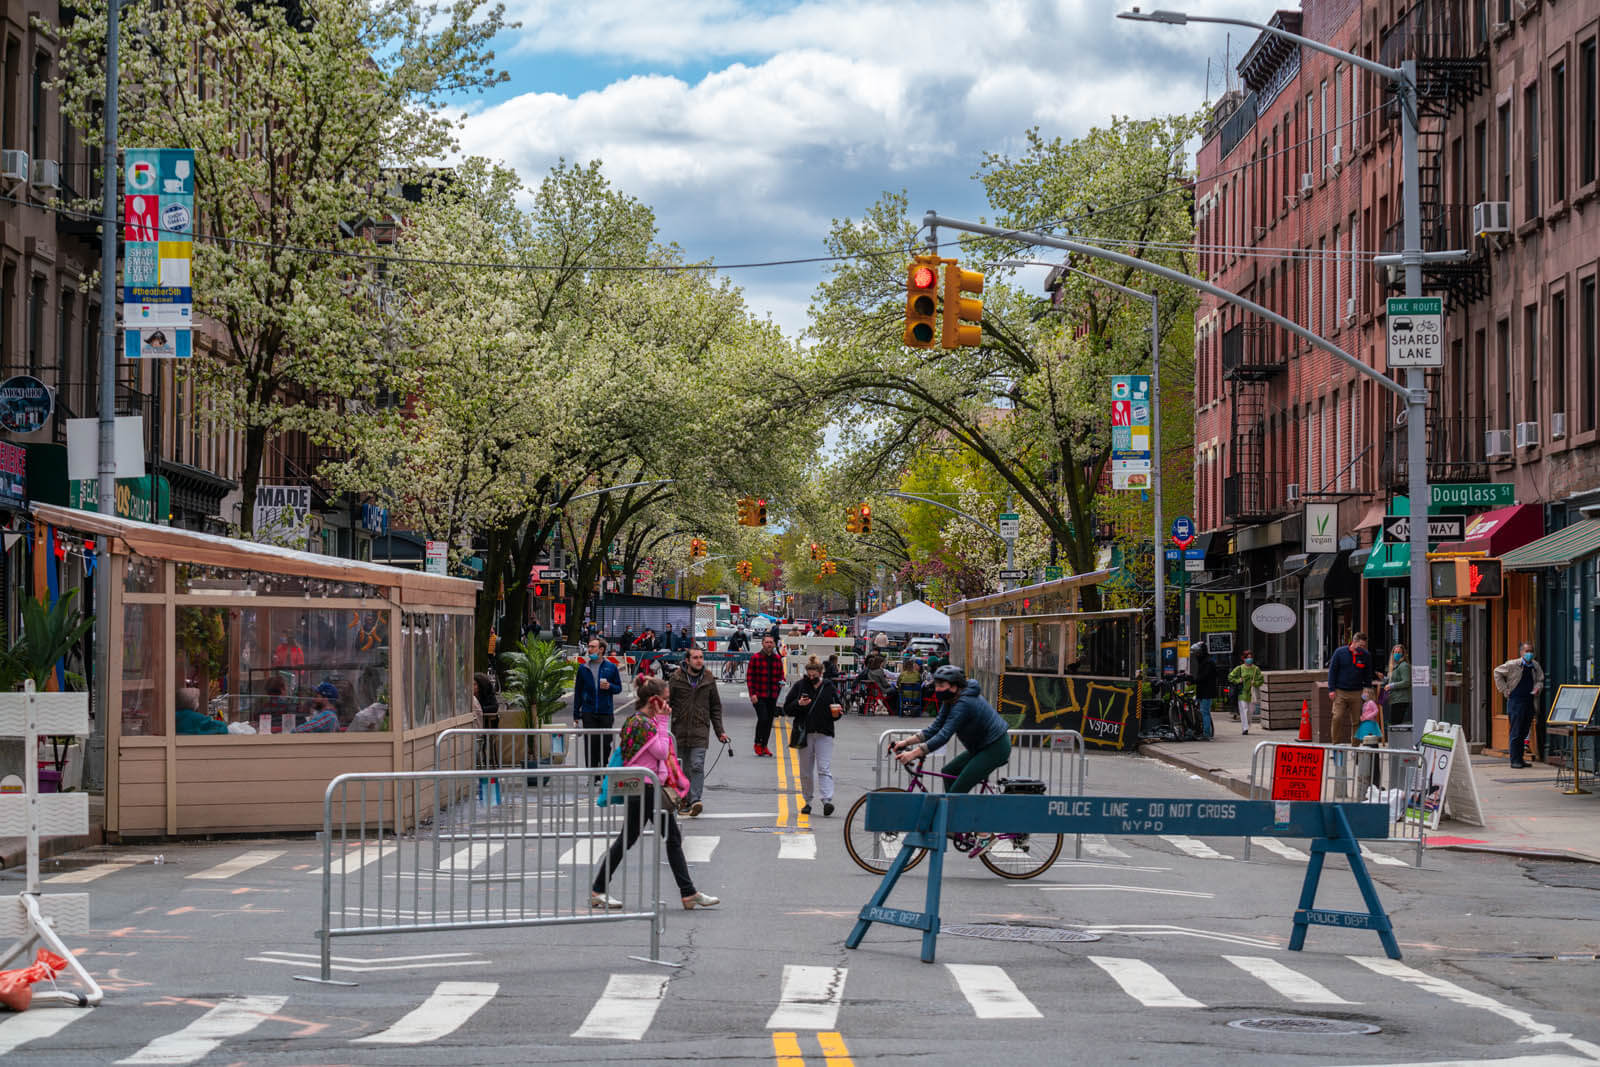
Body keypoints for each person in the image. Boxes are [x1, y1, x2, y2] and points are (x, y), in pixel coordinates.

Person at [590, 676, 720, 911]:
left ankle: (599, 889)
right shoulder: (644, 724)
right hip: (646, 788)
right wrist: (662, 721)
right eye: (666, 700)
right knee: (670, 838)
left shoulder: (636, 720)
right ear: (654, 701)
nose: (669, 705)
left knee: (633, 838)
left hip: (642, 786)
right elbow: (661, 751)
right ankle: (688, 893)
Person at [889, 665, 1011, 793]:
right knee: (948, 772)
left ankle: (955, 807)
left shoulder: (964, 703)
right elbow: (935, 727)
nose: (937, 689)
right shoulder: (950, 699)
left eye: (941, 685)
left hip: (995, 747)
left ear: (954, 686)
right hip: (980, 747)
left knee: (957, 791)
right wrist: (905, 742)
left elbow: (944, 735)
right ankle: (954, 809)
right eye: (936, 685)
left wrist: (914, 753)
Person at [669, 646, 728, 817]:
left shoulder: (709, 679)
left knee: (696, 764)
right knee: (682, 768)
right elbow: (666, 702)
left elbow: (715, 706)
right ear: (687, 660)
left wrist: (720, 732)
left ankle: (695, 800)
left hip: (700, 729)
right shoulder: (676, 678)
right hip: (679, 730)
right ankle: (684, 800)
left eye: (701, 657)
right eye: (695, 657)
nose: (699, 660)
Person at [784, 656, 843, 816]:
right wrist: (799, 704)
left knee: (824, 768)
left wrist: (837, 713)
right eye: (809, 674)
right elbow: (787, 708)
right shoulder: (800, 686)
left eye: (814, 674)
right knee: (805, 771)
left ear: (820, 672)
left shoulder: (828, 686)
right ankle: (807, 801)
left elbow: (838, 705)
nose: (811, 677)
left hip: (825, 732)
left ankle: (826, 800)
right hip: (805, 733)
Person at [573, 637, 623, 769]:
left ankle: (603, 766)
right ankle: (592, 774)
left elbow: (619, 688)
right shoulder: (583, 668)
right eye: (589, 647)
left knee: (606, 743)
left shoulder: (611, 667)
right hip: (588, 712)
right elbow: (578, 691)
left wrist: (610, 686)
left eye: (592, 647)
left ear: (601, 649)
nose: (589, 649)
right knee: (590, 744)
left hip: (605, 712)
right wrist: (576, 715)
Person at [1493, 642, 1545, 768]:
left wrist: (1538, 688)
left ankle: (1520, 759)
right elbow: (1497, 672)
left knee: (1524, 731)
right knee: (1516, 731)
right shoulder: (1513, 664)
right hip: (1516, 701)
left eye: (1531, 651)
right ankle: (1514, 760)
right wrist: (1504, 690)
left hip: (1530, 701)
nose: (1529, 654)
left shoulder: (1535, 666)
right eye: (1527, 651)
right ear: (1521, 652)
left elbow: (1540, 680)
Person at [1327, 632, 1378, 746]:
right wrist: (1331, 689)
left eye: (1364, 646)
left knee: (1357, 721)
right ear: (1353, 642)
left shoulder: (1366, 655)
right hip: (1340, 691)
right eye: (1360, 646)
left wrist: (1367, 688)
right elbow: (1332, 671)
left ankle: (1355, 747)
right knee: (1337, 717)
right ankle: (1335, 744)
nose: (1362, 648)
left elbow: (1368, 674)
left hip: (1357, 692)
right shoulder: (1340, 652)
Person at [746, 633, 785, 757]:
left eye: (771, 642)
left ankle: (764, 746)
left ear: (774, 644)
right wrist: (752, 694)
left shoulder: (777, 659)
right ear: (762, 643)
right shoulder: (755, 658)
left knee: (769, 721)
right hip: (759, 694)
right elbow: (750, 677)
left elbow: (781, 675)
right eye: (767, 642)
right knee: (762, 718)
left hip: (772, 694)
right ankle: (757, 743)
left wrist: (781, 682)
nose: (769, 644)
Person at [1228, 651, 1265, 735]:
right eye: (1247, 657)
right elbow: (1230, 677)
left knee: (1250, 711)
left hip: (1252, 693)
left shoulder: (1256, 669)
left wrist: (1255, 683)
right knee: (1244, 710)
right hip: (1242, 693)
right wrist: (1238, 680)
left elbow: (1261, 680)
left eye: (1251, 657)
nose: (1249, 659)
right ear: (1244, 659)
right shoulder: (1239, 668)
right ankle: (1245, 728)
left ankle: (1248, 724)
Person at [1188, 642, 1219, 740]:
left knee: (1204, 712)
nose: (1196, 655)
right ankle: (1205, 731)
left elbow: (1203, 677)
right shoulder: (1204, 661)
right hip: (1203, 691)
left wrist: (1193, 681)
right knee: (1204, 712)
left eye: (1198, 653)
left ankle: (1206, 734)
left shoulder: (1208, 662)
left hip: (1206, 691)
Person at [1384, 645, 1413, 727]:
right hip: (1395, 699)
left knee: (1396, 725)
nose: (1396, 654)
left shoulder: (1404, 665)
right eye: (1395, 652)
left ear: (1403, 654)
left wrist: (1392, 685)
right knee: (1394, 724)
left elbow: (1406, 682)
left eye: (1399, 652)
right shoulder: (1396, 666)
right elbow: (1395, 679)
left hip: (1401, 699)